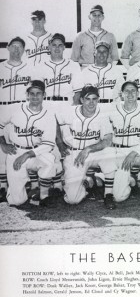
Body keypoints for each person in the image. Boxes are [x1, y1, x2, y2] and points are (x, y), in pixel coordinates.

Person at [56, 85, 116, 205]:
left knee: (109, 153)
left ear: (98, 100)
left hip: (94, 152)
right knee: (72, 200)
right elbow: (55, 122)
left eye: (94, 99)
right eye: (88, 99)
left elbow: (108, 140)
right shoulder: (69, 112)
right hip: (74, 153)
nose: (91, 102)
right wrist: (60, 143)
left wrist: (88, 149)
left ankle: (108, 194)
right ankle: (88, 182)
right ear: (82, 100)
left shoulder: (102, 115)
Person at [0, 80, 57, 206]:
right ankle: (17, 190)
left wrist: (26, 155)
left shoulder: (49, 115)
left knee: (49, 160)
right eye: (32, 93)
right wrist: (3, 143)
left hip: (36, 153)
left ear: (44, 95)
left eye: (38, 93)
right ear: (27, 95)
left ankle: (44, 195)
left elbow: (48, 144)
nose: (35, 96)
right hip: (15, 151)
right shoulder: (14, 109)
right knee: (17, 201)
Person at [105, 81, 140, 209]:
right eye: (127, 91)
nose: (130, 94)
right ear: (121, 94)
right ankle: (130, 181)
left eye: (133, 91)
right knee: (118, 197)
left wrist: (133, 152)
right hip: (118, 152)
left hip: (137, 151)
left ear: (137, 93)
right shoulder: (113, 111)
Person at [0, 37, 32, 200]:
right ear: (8, 47)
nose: (16, 50)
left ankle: (22, 183)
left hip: (21, 109)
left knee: (17, 147)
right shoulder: (0, 67)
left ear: (24, 50)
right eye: (14, 46)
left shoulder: (29, 68)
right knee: (1, 148)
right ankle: (2, 186)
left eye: (20, 47)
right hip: (2, 107)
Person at [32, 33, 82, 106]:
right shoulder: (41, 66)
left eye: (60, 45)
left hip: (67, 105)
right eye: (54, 45)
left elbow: (78, 92)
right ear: (49, 47)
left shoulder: (74, 66)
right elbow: (36, 91)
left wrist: (73, 108)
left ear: (64, 47)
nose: (57, 48)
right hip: (47, 105)